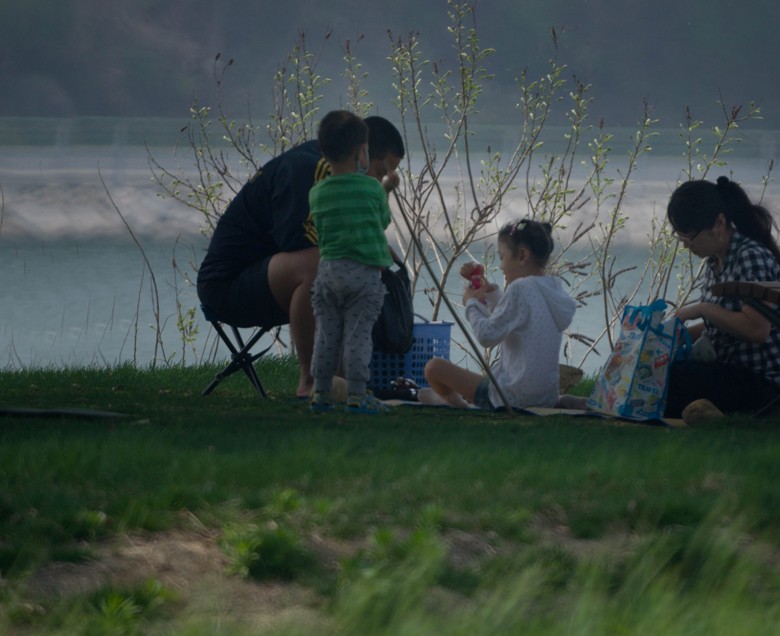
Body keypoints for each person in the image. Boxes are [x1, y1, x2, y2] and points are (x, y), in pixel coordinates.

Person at [196, 115, 404, 398]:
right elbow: (298, 244)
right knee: (325, 266)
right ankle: (311, 381)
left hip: (269, 279)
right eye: (379, 172)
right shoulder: (309, 168)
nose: (378, 182)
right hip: (227, 287)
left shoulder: (337, 174)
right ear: (362, 153)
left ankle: (340, 382)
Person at [661, 176, 780, 417]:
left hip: (771, 383)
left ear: (719, 223)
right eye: (681, 237)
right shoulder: (716, 262)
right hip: (738, 372)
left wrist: (702, 309)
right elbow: (725, 324)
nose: (686, 245)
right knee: (661, 372)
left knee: (671, 381)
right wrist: (673, 335)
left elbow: (756, 330)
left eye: (690, 236)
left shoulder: (750, 256)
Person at [419, 218, 577, 410]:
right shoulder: (553, 289)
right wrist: (488, 290)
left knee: (434, 368)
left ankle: (456, 403)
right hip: (545, 398)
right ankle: (564, 401)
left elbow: (487, 336)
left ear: (522, 255)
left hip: (510, 398)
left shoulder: (520, 288)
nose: (501, 266)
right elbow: (514, 317)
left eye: (502, 257)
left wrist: (471, 303)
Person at [307, 110, 393, 415]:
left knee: (326, 335)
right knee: (358, 336)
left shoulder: (317, 193)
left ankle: (321, 392)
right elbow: (382, 220)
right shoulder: (372, 188)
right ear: (361, 151)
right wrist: (386, 190)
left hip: (328, 273)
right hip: (363, 276)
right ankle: (357, 394)